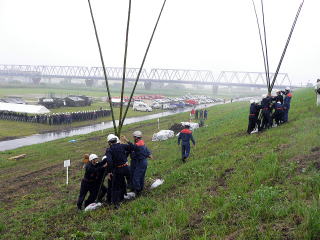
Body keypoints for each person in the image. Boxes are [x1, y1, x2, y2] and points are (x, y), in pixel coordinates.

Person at [104, 134, 136, 209]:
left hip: (118, 170)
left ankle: (116, 203)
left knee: (116, 187)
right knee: (129, 180)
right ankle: (135, 192)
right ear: (116, 140)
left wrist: (109, 172)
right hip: (126, 168)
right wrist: (127, 140)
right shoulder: (122, 146)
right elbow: (132, 147)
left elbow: (109, 161)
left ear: (109, 142)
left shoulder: (109, 150)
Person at [129, 131, 153, 196]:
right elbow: (146, 149)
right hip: (140, 162)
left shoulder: (138, 144)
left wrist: (127, 141)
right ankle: (140, 188)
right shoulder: (141, 142)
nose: (133, 138)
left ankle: (138, 191)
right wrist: (149, 154)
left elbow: (134, 147)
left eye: (134, 137)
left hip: (141, 162)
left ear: (136, 138)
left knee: (136, 177)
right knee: (141, 176)